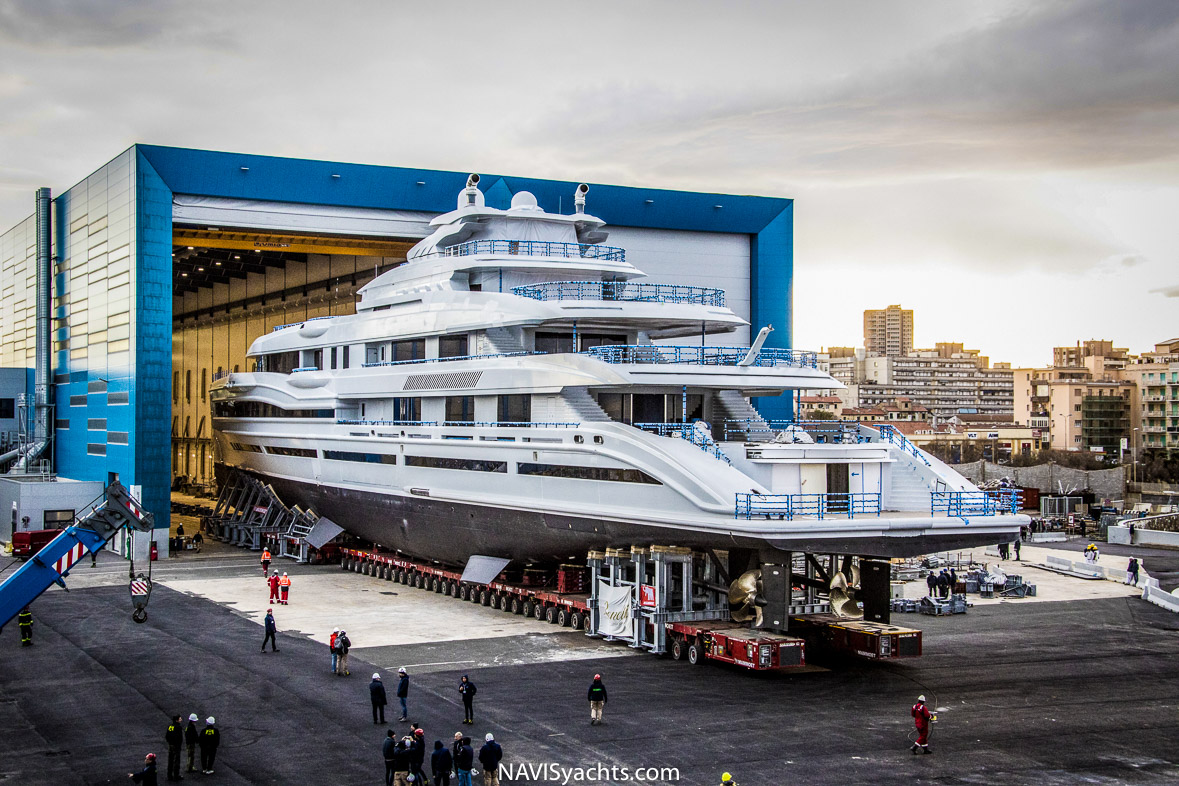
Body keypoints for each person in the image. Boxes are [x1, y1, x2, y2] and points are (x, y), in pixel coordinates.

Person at [164, 715, 184, 782]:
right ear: (177, 720)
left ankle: (169, 775)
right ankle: (176, 775)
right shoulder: (178, 727)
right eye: (180, 718)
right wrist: (178, 744)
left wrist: (170, 742)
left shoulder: (170, 726)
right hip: (176, 746)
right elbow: (179, 737)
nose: (181, 719)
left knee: (170, 760)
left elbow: (167, 736)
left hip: (171, 745)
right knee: (176, 761)